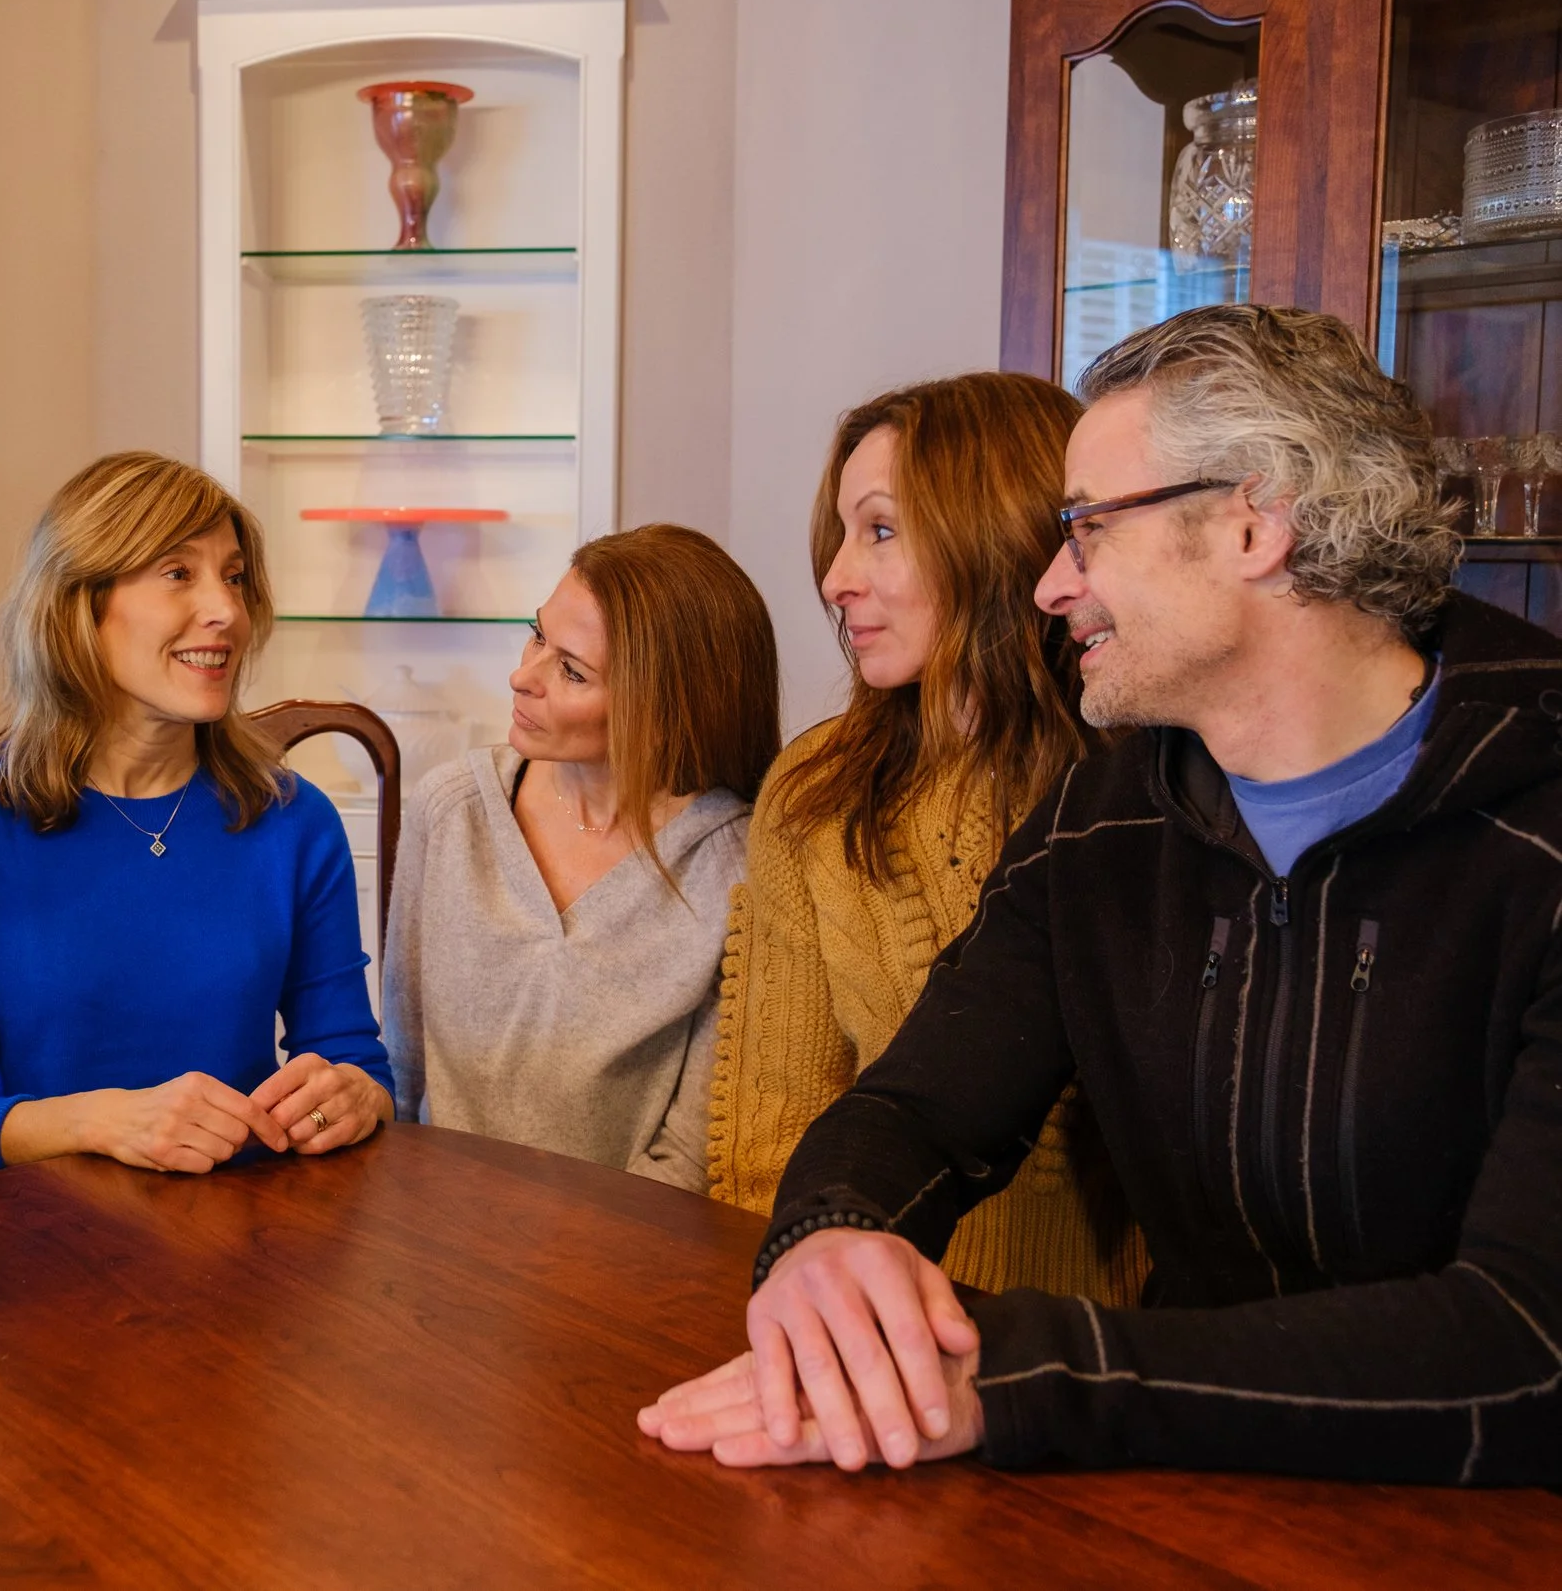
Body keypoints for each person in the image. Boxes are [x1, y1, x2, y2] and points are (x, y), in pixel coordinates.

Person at [641, 305, 1562, 1486]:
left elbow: (1526, 1349)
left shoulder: (1534, 825)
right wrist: (830, 1238)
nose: (1046, 584)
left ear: (1251, 523)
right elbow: (915, 1110)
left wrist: (1020, 1376)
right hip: (1194, 1499)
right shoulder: (1104, 818)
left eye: (1084, 529)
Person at [709, 373, 1147, 1300]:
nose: (834, 578)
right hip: (885, 1336)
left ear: (995, 535)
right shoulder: (816, 792)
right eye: (840, 534)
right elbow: (771, 1134)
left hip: (1131, 1361)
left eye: (878, 530)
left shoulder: (1149, 782)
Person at [0, 451, 392, 1177]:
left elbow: (360, 1064)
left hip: (249, 1238)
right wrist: (105, 1119)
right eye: (179, 573)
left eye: (235, 577)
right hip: (37, 1242)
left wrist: (355, 1095)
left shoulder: (295, 820)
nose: (225, 610)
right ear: (80, 604)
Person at [382, 525, 779, 1191]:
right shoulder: (450, 809)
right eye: (537, 635)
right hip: (431, 1238)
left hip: (621, 1258)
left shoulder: (734, 870)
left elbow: (690, 1152)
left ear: (665, 710)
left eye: (570, 670)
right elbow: (400, 1066)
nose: (520, 676)